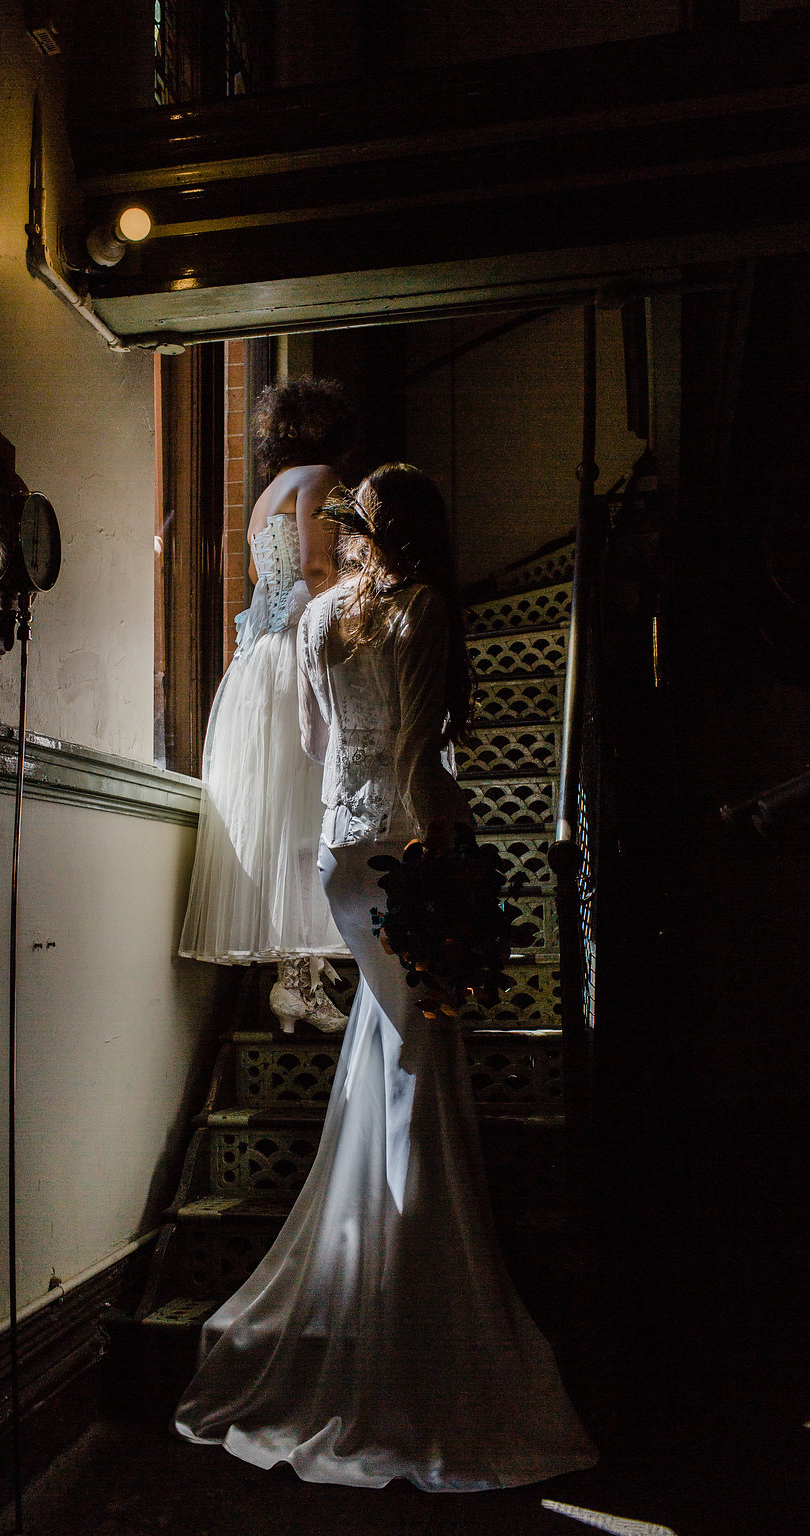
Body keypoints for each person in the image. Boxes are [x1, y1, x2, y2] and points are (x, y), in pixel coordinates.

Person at [174, 464, 598, 1491]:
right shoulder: (424, 610)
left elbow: (322, 745)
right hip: (408, 845)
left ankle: (381, 1278)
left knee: (389, 1052)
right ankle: (413, 1303)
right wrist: (451, 846)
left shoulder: (322, 616)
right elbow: (422, 756)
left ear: (364, 529)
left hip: (341, 854)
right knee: (414, 1064)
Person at [178, 378, 353, 1031]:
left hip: (254, 667)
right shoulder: (322, 476)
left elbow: (261, 579)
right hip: (293, 656)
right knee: (308, 813)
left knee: (289, 818)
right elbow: (314, 571)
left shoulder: (266, 496)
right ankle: (298, 980)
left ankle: (298, 971)